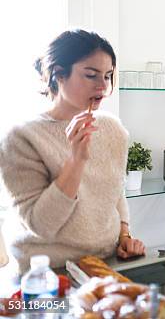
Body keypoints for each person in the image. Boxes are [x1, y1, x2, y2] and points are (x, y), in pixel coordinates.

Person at [0, 30, 145, 274]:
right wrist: (76, 160)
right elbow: (40, 225)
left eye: (109, 76)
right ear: (58, 74)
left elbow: (114, 192)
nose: (103, 85)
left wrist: (124, 236)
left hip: (104, 264)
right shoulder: (20, 138)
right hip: (45, 275)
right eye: (91, 75)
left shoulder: (112, 129)